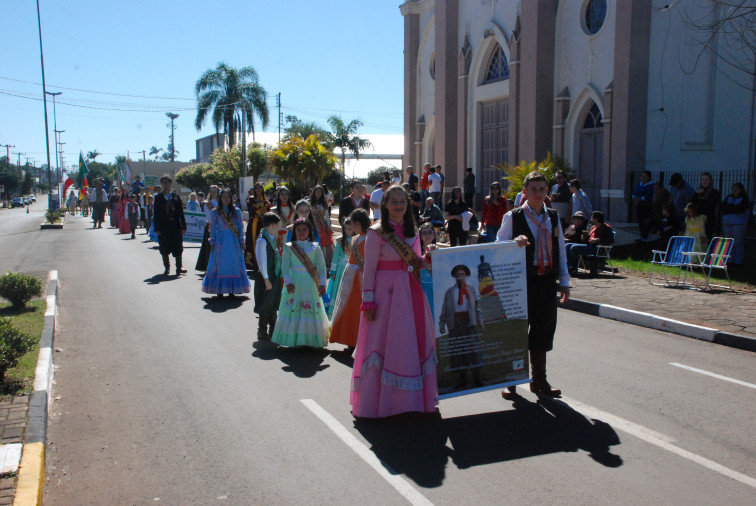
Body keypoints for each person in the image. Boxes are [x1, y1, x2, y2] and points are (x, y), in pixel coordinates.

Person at [350, 186, 437, 418]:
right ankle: (379, 403)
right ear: (385, 205)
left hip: (409, 293)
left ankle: (409, 402)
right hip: (384, 293)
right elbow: (368, 270)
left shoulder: (413, 231)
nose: (399, 205)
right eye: (394, 201)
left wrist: (427, 257)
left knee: (407, 342)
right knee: (383, 343)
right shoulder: (375, 233)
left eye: (403, 201)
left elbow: (416, 261)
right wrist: (368, 300)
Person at [497, 170, 570, 400]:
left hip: (546, 280)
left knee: (543, 329)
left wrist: (564, 281)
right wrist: (513, 243)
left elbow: (560, 251)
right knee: (518, 330)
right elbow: (498, 247)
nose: (538, 193)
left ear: (547, 192)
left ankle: (539, 380)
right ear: (525, 192)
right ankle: (512, 380)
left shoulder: (554, 217)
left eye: (542, 189)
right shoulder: (514, 217)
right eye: (533, 189)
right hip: (521, 280)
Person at [271, 218, 330, 348]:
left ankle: (310, 341)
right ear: (294, 231)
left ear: (310, 231)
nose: (302, 232)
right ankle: (295, 340)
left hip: (310, 283)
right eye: (299, 230)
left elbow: (321, 266)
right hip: (294, 283)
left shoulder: (315, 247)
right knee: (294, 309)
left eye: (305, 230)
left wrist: (322, 284)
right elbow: (285, 266)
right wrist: (288, 282)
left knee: (310, 309)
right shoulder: (289, 247)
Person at [438, 265, 485, 389]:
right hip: (456, 325)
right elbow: (445, 310)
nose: (460, 277)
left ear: (466, 276)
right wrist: (442, 324)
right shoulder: (449, 292)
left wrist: (480, 322)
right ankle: (462, 380)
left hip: (469, 324)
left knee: (474, 351)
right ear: (454, 277)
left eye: (462, 275)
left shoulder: (471, 290)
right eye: (458, 275)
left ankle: (477, 378)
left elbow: (477, 307)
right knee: (458, 352)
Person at [330, 209, 370, 349]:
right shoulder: (357, 238)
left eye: (354, 224)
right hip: (350, 277)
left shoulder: (369, 239)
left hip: (361, 278)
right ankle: (349, 339)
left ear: (359, 223)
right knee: (347, 307)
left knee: (357, 309)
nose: (352, 228)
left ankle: (357, 340)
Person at [201, 190, 251, 298]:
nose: (226, 199)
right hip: (221, 241)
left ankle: (232, 289)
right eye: (224, 197)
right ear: (220, 198)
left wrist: (242, 241)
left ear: (231, 198)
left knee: (233, 263)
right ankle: (219, 290)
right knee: (220, 263)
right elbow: (213, 228)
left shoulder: (236, 211)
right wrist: (212, 242)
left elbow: (240, 227)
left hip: (233, 241)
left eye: (228, 197)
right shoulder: (215, 212)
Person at [254, 213, 284, 340]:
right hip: (266, 277)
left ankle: (273, 328)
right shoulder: (262, 240)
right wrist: (266, 279)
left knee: (274, 302)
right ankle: (262, 330)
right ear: (272, 225)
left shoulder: (270, 238)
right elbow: (261, 261)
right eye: (277, 225)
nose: (278, 228)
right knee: (265, 303)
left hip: (273, 275)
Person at [153, 176, 187, 276]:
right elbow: (156, 214)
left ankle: (179, 268)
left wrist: (183, 226)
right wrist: (157, 228)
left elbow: (181, 212)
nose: (165, 184)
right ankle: (167, 268)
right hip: (164, 226)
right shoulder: (158, 197)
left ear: (170, 183)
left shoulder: (175, 196)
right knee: (164, 247)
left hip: (175, 225)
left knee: (178, 246)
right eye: (163, 182)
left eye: (167, 182)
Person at [326, 218, 353, 318]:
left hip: (352, 267)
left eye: (350, 229)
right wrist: (333, 271)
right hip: (341, 268)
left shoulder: (357, 240)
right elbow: (335, 257)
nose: (347, 231)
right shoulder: (341, 241)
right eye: (346, 229)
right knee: (338, 287)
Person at [721, 182, 749, 267]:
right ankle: (729, 260)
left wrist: (730, 208)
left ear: (740, 190)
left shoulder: (744, 199)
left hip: (739, 224)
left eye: (736, 189)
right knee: (729, 242)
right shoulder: (729, 197)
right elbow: (723, 208)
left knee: (738, 243)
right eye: (733, 189)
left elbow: (740, 209)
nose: (734, 191)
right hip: (727, 223)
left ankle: (738, 261)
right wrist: (733, 208)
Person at [244, 183, 271, 271]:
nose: (259, 189)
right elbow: (254, 208)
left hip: (263, 223)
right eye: (257, 188)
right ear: (254, 190)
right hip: (254, 223)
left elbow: (268, 211)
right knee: (253, 241)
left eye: (260, 188)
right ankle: (253, 263)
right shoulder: (251, 199)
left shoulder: (266, 200)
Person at [309, 185, 335, 270]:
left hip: (322, 225)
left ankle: (324, 263)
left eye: (320, 191)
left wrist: (328, 225)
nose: (318, 193)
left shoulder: (324, 203)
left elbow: (327, 215)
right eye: (317, 191)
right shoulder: (310, 202)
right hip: (312, 224)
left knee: (324, 243)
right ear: (314, 192)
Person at [690, 172, 721, 240]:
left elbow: (711, 205)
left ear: (710, 181)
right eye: (702, 179)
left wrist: (700, 201)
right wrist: (696, 195)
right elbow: (691, 204)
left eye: (706, 179)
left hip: (709, 221)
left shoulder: (714, 192)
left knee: (708, 240)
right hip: (697, 220)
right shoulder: (697, 192)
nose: (704, 181)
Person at [195, 185, 219, 271]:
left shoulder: (221, 202)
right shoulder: (207, 203)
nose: (213, 193)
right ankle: (208, 268)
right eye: (211, 191)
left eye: (215, 191)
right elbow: (209, 218)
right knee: (209, 249)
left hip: (221, 228)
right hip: (211, 227)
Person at [418, 222, 438, 317]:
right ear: (420, 236)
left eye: (430, 232)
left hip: (436, 287)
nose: (427, 235)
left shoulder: (440, 252)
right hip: (421, 288)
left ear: (434, 235)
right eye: (424, 233)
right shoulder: (416, 253)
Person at [631, 170, 655, 242]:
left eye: (645, 176)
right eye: (642, 176)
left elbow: (648, 196)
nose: (643, 178)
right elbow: (634, 193)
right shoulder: (639, 185)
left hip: (646, 207)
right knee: (640, 222)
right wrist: (636, 198)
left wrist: (639, 199)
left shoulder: (651, 186)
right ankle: (642, 237)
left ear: (649, 177)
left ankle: (645, 237)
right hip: (639, 206)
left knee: (645, 222)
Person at [272, 186, 295, 254]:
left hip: (290, 235)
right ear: (279, 196)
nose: (285, 196)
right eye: (282, 194)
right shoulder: (274, 210)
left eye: (286, 194)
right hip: (277, 237)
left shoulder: (294, 209)